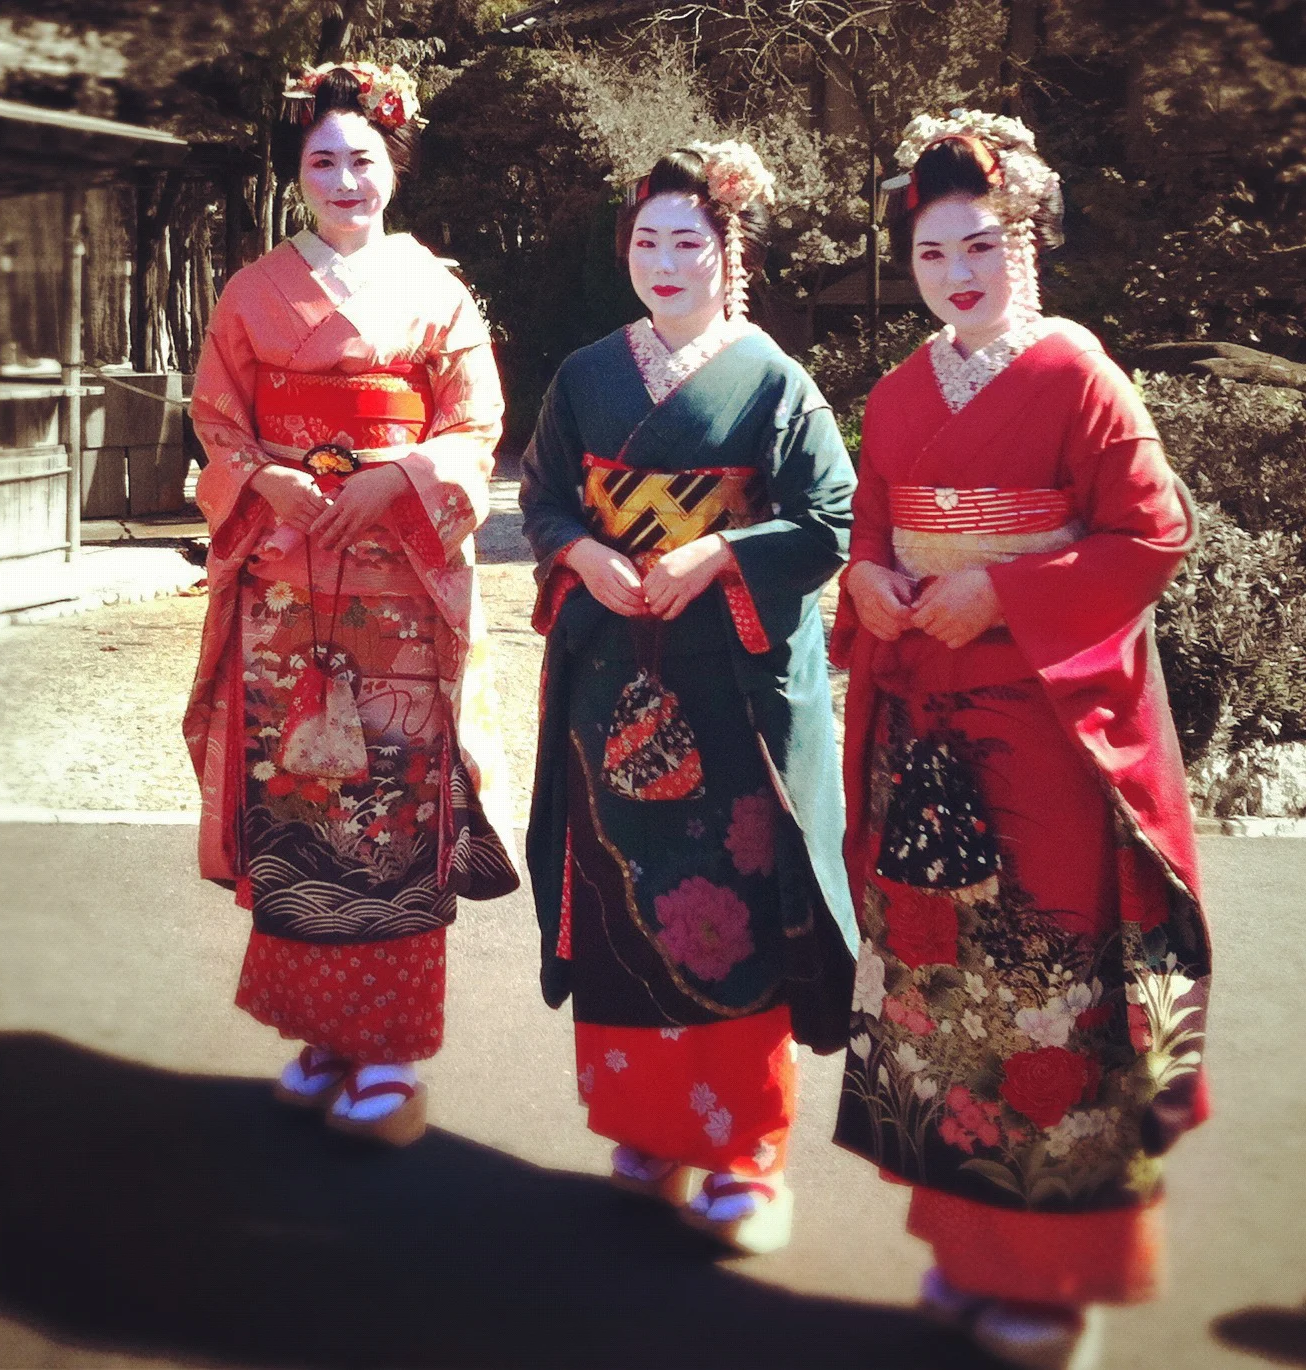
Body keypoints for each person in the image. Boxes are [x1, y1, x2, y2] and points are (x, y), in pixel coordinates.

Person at [830, 110, 1212, 1369]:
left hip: (1043, 730)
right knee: (940, 986)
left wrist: (1003, 588)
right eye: (933, 253)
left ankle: (1056, 1276)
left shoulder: (1079, 375)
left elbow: (1151, 535)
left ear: (1026, 239)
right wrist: (869, 587)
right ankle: (965, 1243)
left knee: (1050, 984)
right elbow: (870, 537)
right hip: (924, 719)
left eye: (979, 245)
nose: (957, 274)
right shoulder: (895, 394)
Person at [520, 143, 858, 1254]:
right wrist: (582, 554)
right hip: (612, 667)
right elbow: (544, 495)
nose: (665, 262)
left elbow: (827, 522)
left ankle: (747, 1152)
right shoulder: (583, 375)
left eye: (689, 243)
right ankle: (646, 1123)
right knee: (620, 889)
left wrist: (716, 554)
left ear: (730, 256)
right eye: (646, 241)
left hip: (725, 684)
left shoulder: (772, 380)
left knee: (733, 900)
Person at [184, 62, 517, 1146]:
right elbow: (216, 417)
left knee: (389, 801)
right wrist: (264, 476)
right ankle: (319, 1034)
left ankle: (387, 1047)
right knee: (299, 801)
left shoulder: (439, 293)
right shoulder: (250, 291)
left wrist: (399, 477)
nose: (343, 179)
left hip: (396, 585)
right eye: (321, 161)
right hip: (284, 580)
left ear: (394, 166)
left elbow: (473, 427)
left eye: (361, 160)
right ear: (298, 173)